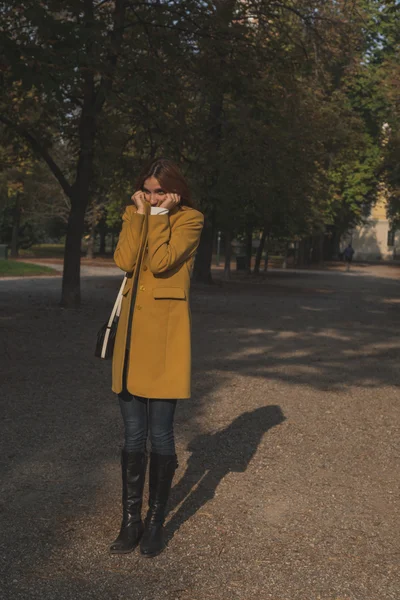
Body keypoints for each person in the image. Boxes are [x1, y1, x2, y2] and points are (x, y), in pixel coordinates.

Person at [109, 158, 204, 558]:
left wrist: (160, 216)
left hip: (165, 340)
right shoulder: (137, 214)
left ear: (174, 191)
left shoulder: (190, 220)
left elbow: (162, 262)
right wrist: (138, 216)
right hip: (131, 337)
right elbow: (125, 261)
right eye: (147, 190)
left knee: (160, 433)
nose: (151, 197)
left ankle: (155, 522)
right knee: (133, 435)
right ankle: (130, 522)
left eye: (159, 191)